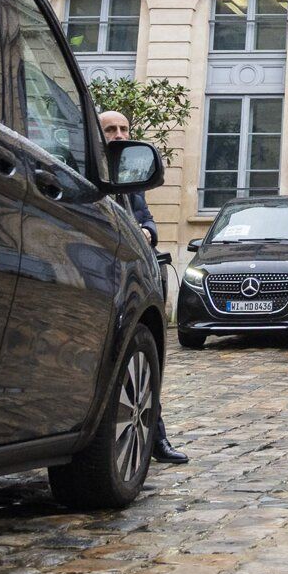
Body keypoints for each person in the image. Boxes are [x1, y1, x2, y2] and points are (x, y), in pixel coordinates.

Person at [98, 110, 189, 466]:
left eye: (124, 129)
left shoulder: (130, 176)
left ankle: (155, 437)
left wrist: (148, 231)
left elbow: (147, 220)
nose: (119, 135)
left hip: (131, 276)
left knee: (140, 358)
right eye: (111, 130)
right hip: (103, 274)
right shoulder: (93, 170)